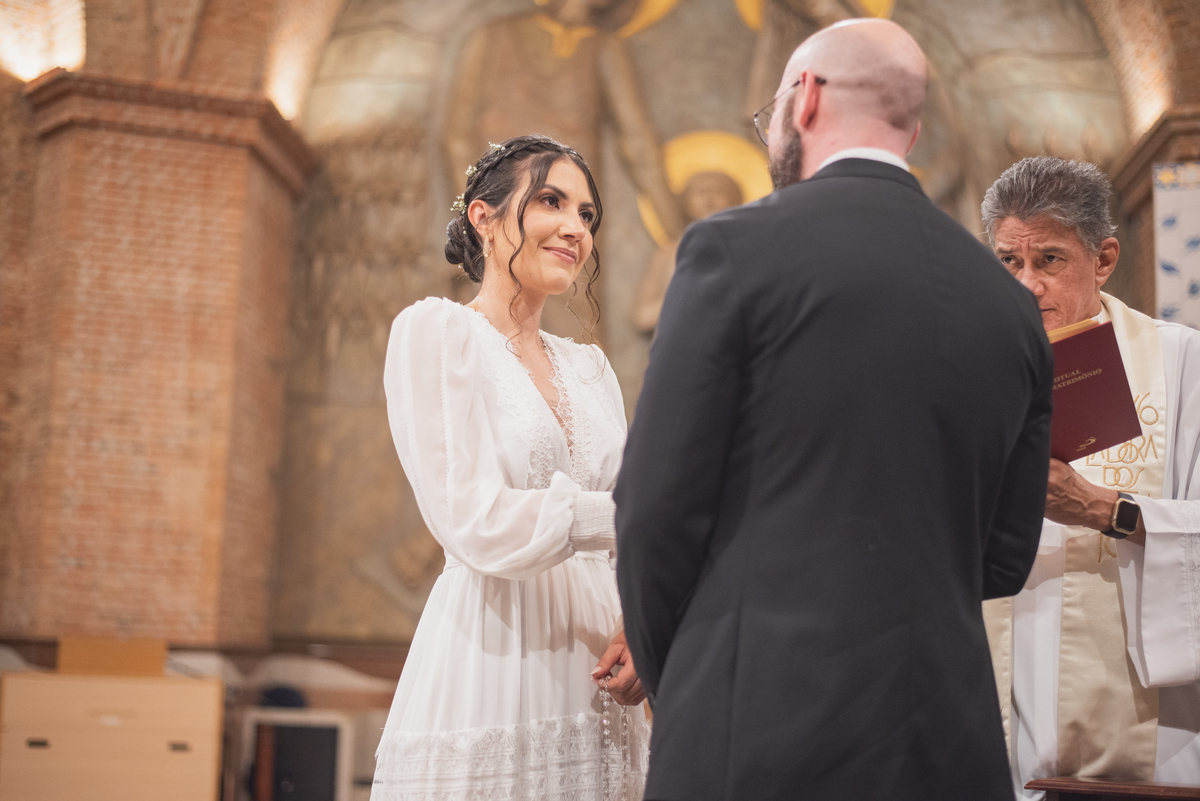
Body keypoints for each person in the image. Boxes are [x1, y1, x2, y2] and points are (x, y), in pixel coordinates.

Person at [614, 19, 1053, 800]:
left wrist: (678, 675)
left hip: (756, 733)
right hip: (946, 747)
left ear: (806, 98)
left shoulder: (733, 251)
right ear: (912, 129)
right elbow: (1006, 554)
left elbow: (652, 510)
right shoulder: (1011, 307)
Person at [371, 135, 649, 801]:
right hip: (497, 650)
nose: (574, 227)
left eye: (587, 214)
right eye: (552, 200)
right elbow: (470, 516)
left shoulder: (591, 366)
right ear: (484, 216)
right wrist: (631, 516)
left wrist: (645, 626)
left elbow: (632, 518)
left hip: (602, 666)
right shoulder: (438, 335)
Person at [981, 156, 1200, 798]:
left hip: (1144, 736)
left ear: (1103, 260)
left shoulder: (1180, 361)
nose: (1027, 285)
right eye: (1007, 262)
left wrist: (1109, 510)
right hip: (996, 716)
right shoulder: (966, 375)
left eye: (1048, 260)